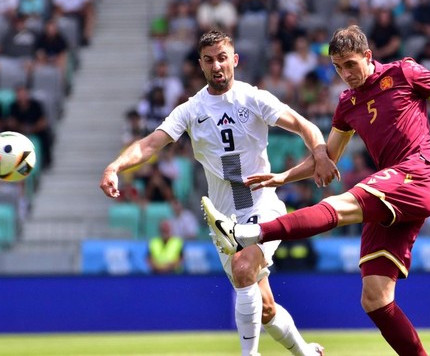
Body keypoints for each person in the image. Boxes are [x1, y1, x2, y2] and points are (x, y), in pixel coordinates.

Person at [202, 25, 430, 356]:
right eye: (337, 67)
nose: (345, 74)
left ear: (368, 57)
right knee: (375, 298)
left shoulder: (404, 73)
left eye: (350, 64)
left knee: (343, 203)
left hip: (416, 173)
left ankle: (250, 233)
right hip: (391, 193)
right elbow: (327, 158)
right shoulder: (347, 104)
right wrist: (284, 177)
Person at [100, 30, 329, 356]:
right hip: (224, 221)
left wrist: (319, 153)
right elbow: (150, 144)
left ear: (234, 59)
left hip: (262, 206)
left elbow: (305, 125)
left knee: (243, 268)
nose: (217, 65)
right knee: (264, 308)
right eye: (209, 60)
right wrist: (115, 166)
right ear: (201, 65)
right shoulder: (191, 110)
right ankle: (306, 352)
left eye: (222, 58)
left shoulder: (255, 98)